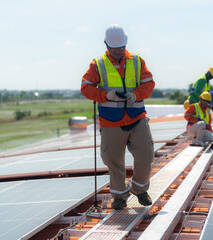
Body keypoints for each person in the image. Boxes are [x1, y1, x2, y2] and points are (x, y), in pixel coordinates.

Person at [81, 24, 154, 210]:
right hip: (110, 120)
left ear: (126, 43)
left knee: (146, 154)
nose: (117, 50)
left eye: (120, 47)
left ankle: (139, 188)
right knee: (113, 161)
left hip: (136, 117)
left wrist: (136, 95)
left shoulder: (137, 61)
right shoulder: (97, 64)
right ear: (106, 45)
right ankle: (120, 196)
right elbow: (86, 87)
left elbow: (149, 84)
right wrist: (105, 96)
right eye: (113, 48)